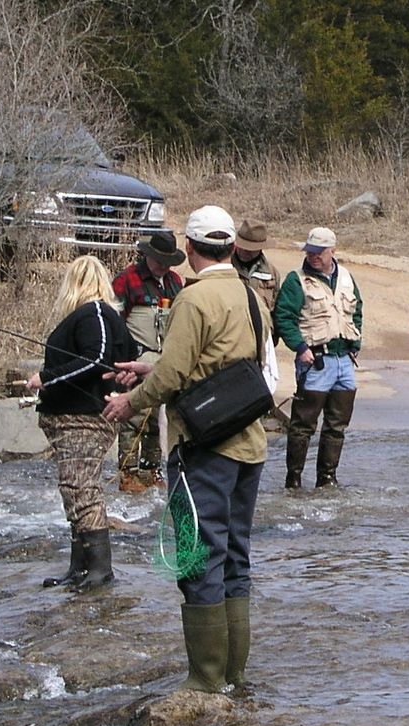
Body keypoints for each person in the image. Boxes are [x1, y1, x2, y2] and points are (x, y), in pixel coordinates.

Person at [103, 205, 266, 693]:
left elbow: (175, 375)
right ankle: (233, 676)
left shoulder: (193, 300)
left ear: (190, 250)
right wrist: (149, 367)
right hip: (250, 446)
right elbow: (232, 359)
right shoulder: (250, 294)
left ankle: (204, 678)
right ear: (232, 248)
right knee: (235, 555)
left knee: (198, 557)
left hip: (203, 449)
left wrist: (128, 401)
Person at [27, 255, 135, 591]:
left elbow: (96, 358)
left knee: (83, 490)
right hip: (73, 419)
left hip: (85, 419)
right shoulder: (99, 316)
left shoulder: (96, 313)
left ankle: (101, 570)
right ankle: (79, 567)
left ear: (75, 283)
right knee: (73, 490)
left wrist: (46, 377)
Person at [271, 226, 363, 489]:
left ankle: (327, 478)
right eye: (309, 251)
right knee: (303, 425)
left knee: (337, 425)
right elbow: (284, 318)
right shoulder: (295, 280)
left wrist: (355, 341)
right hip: (315, 360)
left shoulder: (346, 277)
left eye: (318, 252)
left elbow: (357, 311)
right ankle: (294, 479)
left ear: (332, 251)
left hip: (344, 361)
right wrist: (300, 348)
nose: (313, 257)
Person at [109, 232, 186, 492]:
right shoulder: (126, 280)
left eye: (167, 261)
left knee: (156, 416)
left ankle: (152, 469)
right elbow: (114, 322)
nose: (162, 266)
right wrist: (121, 360)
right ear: (148, 255)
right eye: (158, 260)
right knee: (134, 413)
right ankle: (128, 473)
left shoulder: (175, 283)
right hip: (135, 357)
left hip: (164, 359)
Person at [230, 218, 282, 401]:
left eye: (250, 248)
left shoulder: (272, 274)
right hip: (231, 342)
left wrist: (270, 340)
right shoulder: (225, 267)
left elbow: (275, 310)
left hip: (260, 345)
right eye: (242, 246)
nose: (244, 251)